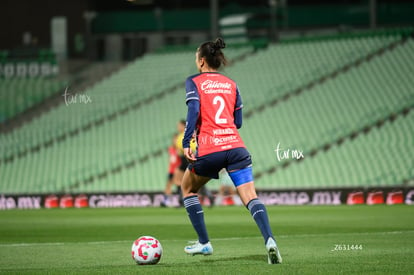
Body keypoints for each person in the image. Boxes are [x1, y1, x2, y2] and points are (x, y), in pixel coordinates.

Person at [181, 38, 282, 264]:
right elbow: (237, 121)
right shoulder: (232, 84)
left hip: (210, 149)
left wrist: (187, 141)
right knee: (250, 197)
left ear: (202, 61)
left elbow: (194, 109)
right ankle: (270, 241)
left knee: (187, 188)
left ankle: (204, 243)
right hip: (237, 148)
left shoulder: (193, 81)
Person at [161, 134, 181, 207]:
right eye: (174, 139)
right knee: (168, 185)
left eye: (176, 139)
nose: (175, 141)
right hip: (172, 170)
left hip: (179, 171)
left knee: (179, 186)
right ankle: (166, 201)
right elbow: (173, 159)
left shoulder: (181, 148)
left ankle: (180, 201)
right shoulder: (171, 149)